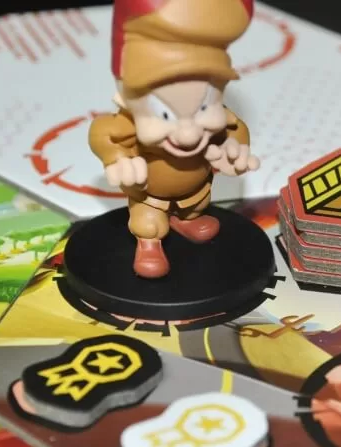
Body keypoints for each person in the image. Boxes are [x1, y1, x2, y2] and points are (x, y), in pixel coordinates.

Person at [89, 0, 259, 278]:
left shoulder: (220, 115)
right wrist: (116, 157)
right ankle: (149, 244)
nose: (189, 135)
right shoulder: (129, 122)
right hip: (150, 195)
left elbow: (234, 127)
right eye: (165, 114)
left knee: (195, 207)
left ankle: (186, 220)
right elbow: (103, 131)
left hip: (196, 188)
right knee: (149, 222)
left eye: (204, 107)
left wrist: (235, 148)